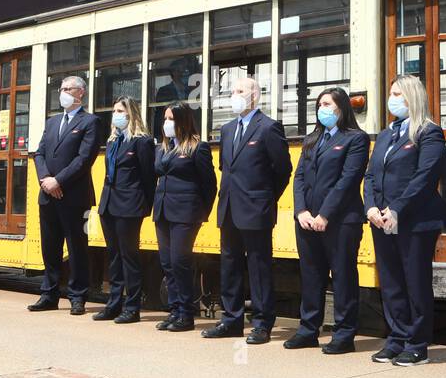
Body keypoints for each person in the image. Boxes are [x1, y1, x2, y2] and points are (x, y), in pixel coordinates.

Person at [363, 74, 446, 367]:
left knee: (415, 282)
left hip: (415, 220)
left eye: (399, 94)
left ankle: (417, 344)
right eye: (391, 94)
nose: (393, 99)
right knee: (390, 282)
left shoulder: (429, 132)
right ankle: (396, 338)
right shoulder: (387, 135)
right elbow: (372, 174)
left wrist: (397, 208)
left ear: (413, 97)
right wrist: (372, 207)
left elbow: (425, 177)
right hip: (382, 220)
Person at [201, 77, 291, 345]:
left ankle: (262, 323)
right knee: (229, 264)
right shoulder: (228, 129)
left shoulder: (269, 127)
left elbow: (283, 170)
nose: (234, 95)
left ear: (255, 95)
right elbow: (224, 168)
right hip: (229, 207)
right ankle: (231, 319)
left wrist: (265, 197)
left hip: (256, 208)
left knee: (258, 265)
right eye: (233, 91)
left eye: (240, 91)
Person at [285, 87, 369, 355]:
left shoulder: (355, 139)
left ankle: (344, 334)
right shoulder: (312, 139)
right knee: (311, 276)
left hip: (341, 221)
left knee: (343, 276)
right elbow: (299, 178)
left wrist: (325, 215)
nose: (323, 109)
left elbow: (348, 180)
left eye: (328, 104)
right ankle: (308, 330)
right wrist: (301, 212)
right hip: (308, 221)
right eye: (320, 104)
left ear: (341, 108)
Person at [29, 75, 100, 315]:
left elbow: (84, 159)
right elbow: (39, 153)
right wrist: (45, 180)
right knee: (50, 246)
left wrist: (58, 180)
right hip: (48, 195)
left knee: (77, 247)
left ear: (80, 93)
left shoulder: (90, 121)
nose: (63, 93)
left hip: (74, 195)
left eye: (67, 89)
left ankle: (78, 296)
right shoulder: (52, 122)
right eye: (61, 89)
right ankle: (48, 293)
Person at [152, 103, 216, 332]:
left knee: (180, 261)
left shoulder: (198, 147)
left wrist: (201, 211)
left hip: (186, 212)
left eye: (172, 119)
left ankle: (187, 313)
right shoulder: (162, 148)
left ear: (183, 121)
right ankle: (175, 309)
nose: (167, 123)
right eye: (165, 119)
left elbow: (209, 184)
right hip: (162, 210)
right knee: (167, 262)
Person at [93, 97, 155, 324]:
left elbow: (149, 177)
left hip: (130, 206)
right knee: (114, 256)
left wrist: (144, 206)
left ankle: (132, 307)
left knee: (130, 256)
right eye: (114, 110)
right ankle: (114, 303)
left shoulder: (142, 142)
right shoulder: (112, 140)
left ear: (131, 114)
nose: (116, 114)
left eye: (120, 111)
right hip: (108, 204)